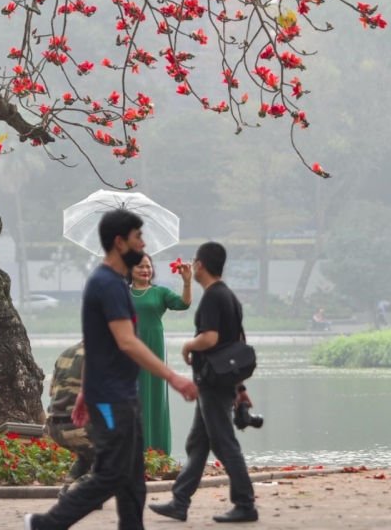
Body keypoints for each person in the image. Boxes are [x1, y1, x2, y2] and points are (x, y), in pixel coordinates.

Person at [24, 210, 198, 530]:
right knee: (112, 473)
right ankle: (45, 524)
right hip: (110, 398)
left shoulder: (113, 282)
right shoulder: (108, 284)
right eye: (137, 238)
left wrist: (82, 394)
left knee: (133, 478)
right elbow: (126, 342)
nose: (143, 243)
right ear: (120, 243)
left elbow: (95, 343)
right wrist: (172, 377)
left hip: (118, 394)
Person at [152, 242, 258, 523]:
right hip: (220, 381)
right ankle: (180, 501)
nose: (192, 264)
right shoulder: (230, 297)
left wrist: (187, 345)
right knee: (198, 443)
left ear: (200, 265)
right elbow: (238, 342)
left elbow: (210, 340)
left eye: (194, 260)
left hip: (212, 382)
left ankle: (245, 504)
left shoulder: (213, 297)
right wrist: (240, 388)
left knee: (224, 443)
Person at [130, 254, 191, 455]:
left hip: (154, 346)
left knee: (155, 396)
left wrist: (187, 281)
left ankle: (157, 451)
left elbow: (183, 304)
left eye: (148, 266)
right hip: (129, 348)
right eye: (140, 266)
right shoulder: (121, 293)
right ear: (130, 269)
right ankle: (133, 450)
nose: (145, 270)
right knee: (133, 397)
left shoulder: (160, 292)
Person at [44, 341, 94, 492]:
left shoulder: (65, 353)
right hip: (78, 427)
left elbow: (51, 392)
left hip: (54, 426)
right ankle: (76, 492)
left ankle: (67, 490)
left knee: (88, 455)